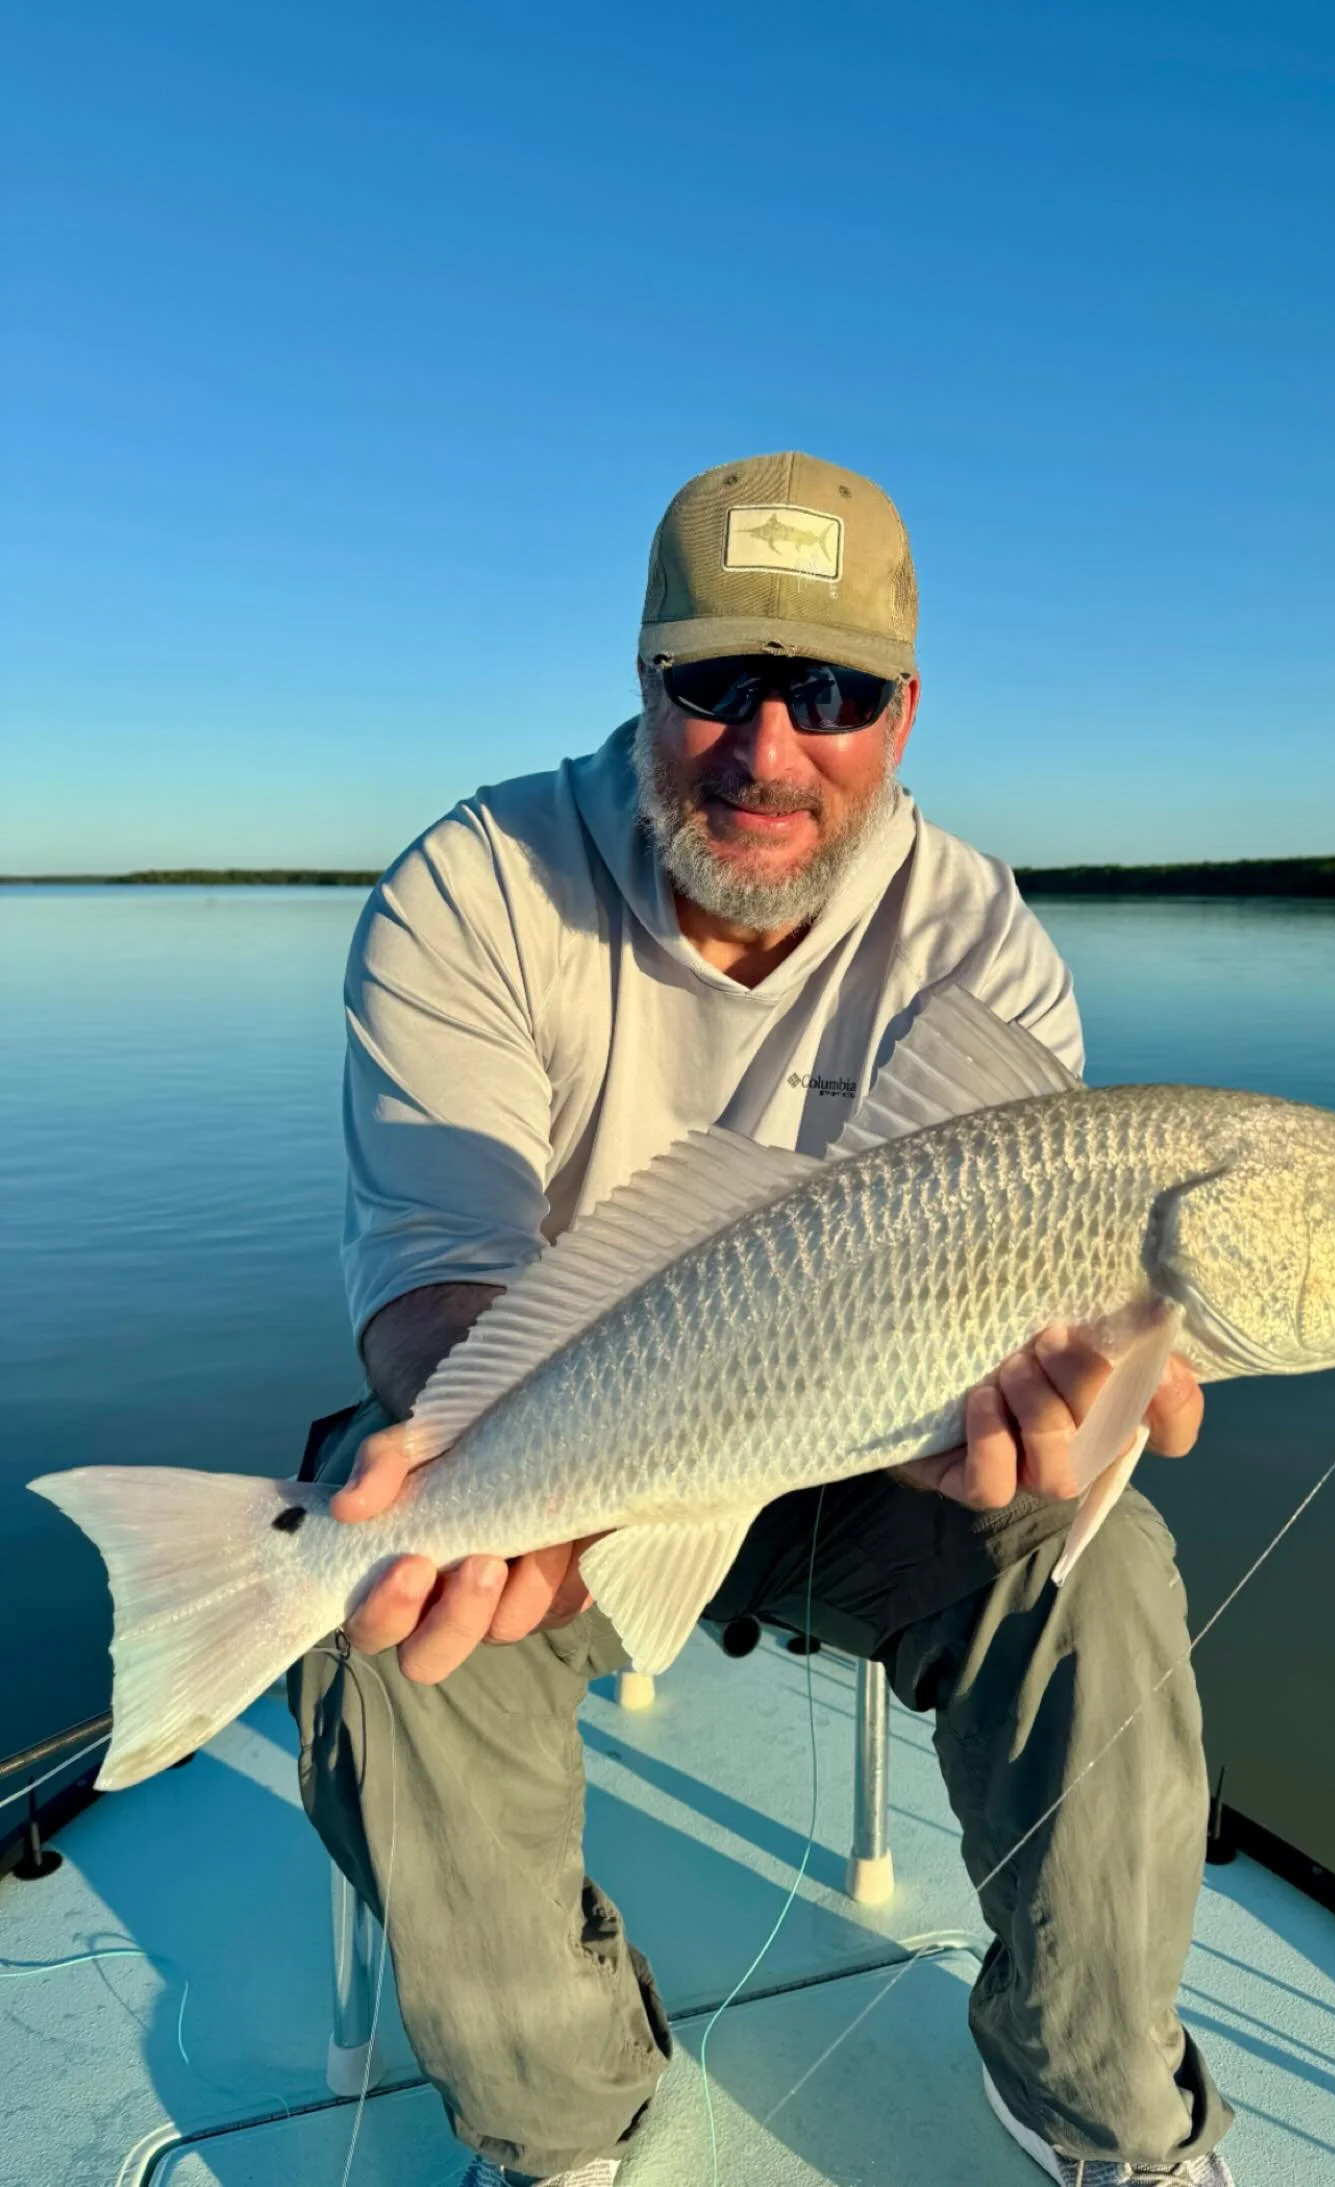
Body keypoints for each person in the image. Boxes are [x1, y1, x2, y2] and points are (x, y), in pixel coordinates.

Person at [289, 452, 1235, 2187]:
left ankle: (1099, 2106)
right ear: (642, 677)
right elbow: (437, 1268)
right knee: (390, 1599)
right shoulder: (474, 884)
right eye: (712, 682)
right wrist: (506, 1482)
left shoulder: (980, 943)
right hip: (561, 1443)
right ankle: (568, 2128)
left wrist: (1061, 1427)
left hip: (887, 1455)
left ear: (907, 712)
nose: (768, 747)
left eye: (836, 693)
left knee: (1104, 1564)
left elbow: (1047, 1326)